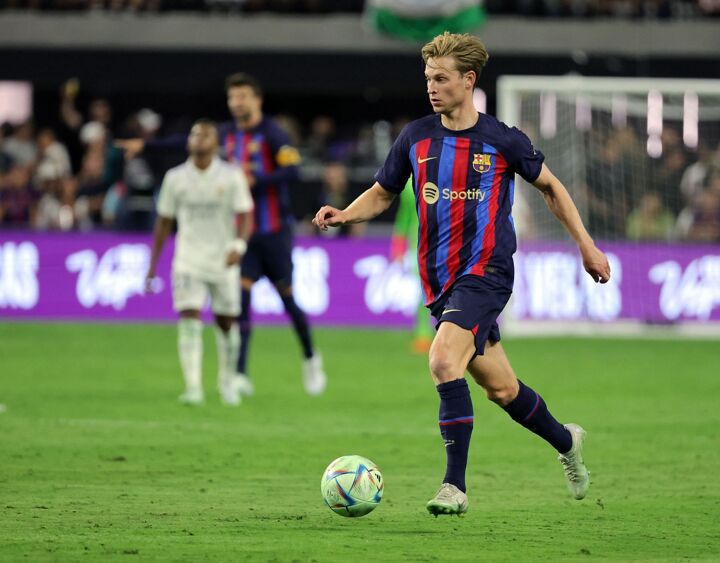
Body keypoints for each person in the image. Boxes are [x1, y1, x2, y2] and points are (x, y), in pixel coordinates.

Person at [314, 32, 611, 517]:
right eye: (428, 79)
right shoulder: (416, 137)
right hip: (440, 282)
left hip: (487, 272)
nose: (431, 87)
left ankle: (454, 486)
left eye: (441, 78)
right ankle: (566, 441)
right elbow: (384, 192)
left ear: (468, 80)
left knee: (442, 361)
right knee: (502, 389)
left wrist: (586, 245)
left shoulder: (502, 139)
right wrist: (345, 213)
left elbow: (551, 188)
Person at [118, 73, 327, 397]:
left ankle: (310, 357)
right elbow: (186, 142)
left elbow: (293, 169)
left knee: (287, 299)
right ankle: (240, 373)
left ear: (257, 100)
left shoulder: (273, 133)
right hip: (240, 233)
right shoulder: (226, 133)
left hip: (273, 230)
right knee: (240, 301)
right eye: (232, 97)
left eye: (243, 96)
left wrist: (258, 179)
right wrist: (146, 145)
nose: (236, 103)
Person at [146, 119, 254, 406]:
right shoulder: (175, 178)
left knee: (226, 323)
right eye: (195, 134)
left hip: (223, 260)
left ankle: (227, 381)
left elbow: (246, 215)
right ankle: (193, 387)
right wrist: (152, 265)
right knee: (189, 319)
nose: (199, 139)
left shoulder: (231, 176)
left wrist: (239, 245)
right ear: (188, 142)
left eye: (206, 135)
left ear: (216, 143)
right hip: (188, 259)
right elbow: (164, 221)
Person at [391, 178, 434, 353]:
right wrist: (398, 246)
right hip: (418, 244)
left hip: (445, 243)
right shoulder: (409, 184)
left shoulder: (446, 174)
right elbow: (405, 216)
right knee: (423, 290)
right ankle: (423, 333)